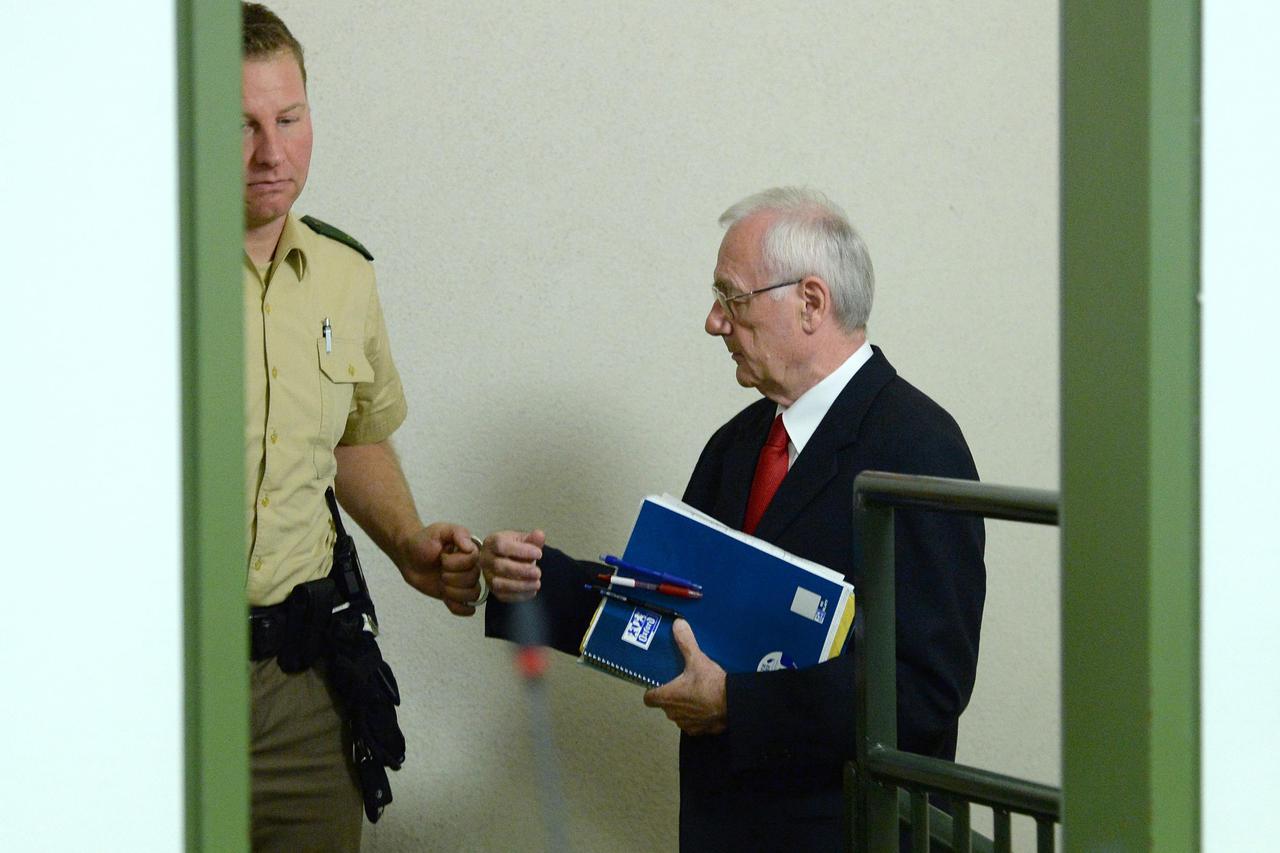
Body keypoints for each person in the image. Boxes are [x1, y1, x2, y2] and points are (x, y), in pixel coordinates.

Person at [481, 187, 986, 850]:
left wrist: (736, 705)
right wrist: (531, 581)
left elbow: (925, 689)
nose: (714, 322)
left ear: (811, 302)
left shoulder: (919, 446)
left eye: (733, 297)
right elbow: (668, 610)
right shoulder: (738, 444)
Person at [240, 4, 485, 850]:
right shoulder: (131, 271)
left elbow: (351, 434)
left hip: (298, 678)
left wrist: (407, 540)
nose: (271, 152)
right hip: (153, 683)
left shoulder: (342, 275)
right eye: (241, 126)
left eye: (289, 119)